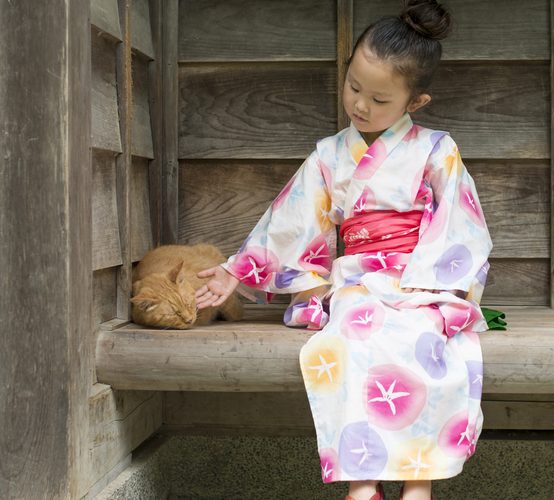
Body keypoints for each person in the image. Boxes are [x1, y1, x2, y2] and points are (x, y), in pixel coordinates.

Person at [194, 2, 492, 499]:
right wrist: (237, 271)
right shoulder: (330, 154)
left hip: (421, 278)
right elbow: (293, 218)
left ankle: (419, 479)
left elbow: (461, 223)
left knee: (431, 343)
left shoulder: (437, 149)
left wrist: (434, 287)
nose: (360, 106)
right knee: (350, 340)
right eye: (354, 86)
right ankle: (363, 481)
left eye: (379, 99)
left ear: (415, 102)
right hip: (356, 280)